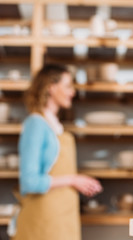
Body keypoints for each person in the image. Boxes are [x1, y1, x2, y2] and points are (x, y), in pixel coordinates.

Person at [11, 64, 103, 240]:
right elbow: (29, 181)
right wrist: (73, 179)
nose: (73, 92)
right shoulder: (36, 124)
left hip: (60, 223)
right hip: (41, 225)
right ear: (51, 88)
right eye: (68, 86)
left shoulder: (55, 127)